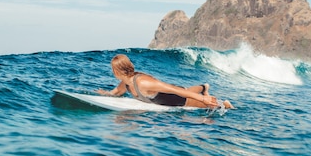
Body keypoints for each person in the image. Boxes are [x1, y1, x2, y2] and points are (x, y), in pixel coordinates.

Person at [97, 54, 233, 109]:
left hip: (176, 99)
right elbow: (116, 92)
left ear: (117, 71)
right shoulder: (125, 83)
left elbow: (175, 90)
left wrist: (203, 100)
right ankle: (203, 87)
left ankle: (225, 103)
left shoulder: (143, 83)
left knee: (209, 104)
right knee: (187, 90)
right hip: (170, 94)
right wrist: (104, 93)